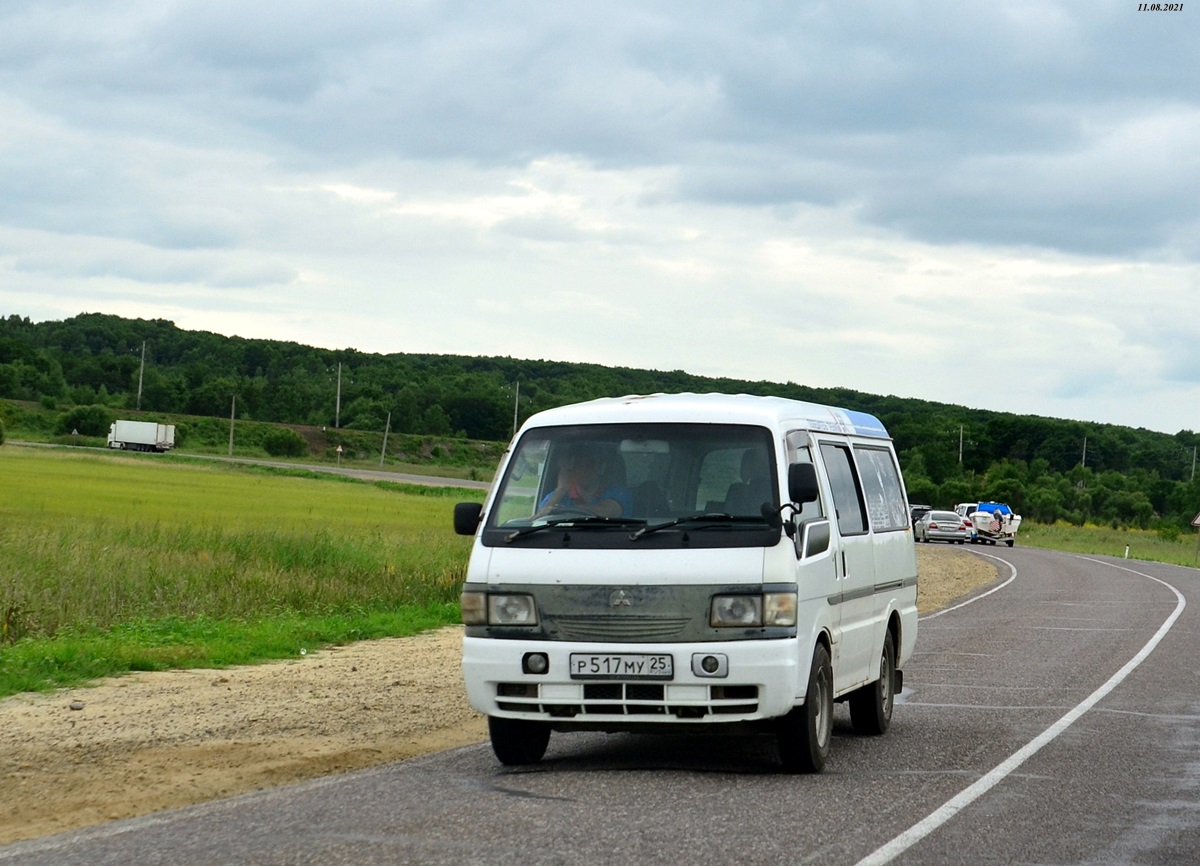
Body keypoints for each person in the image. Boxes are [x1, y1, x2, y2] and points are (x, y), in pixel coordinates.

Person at [537, 444, 631, 518]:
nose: (582, 468)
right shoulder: (558, 496)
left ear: (601, 468)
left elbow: (607, 512)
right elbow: (539, 519)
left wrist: (565, 511)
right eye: (577, 462)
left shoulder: (619, 493)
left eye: (589, 462)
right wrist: (561, 489)